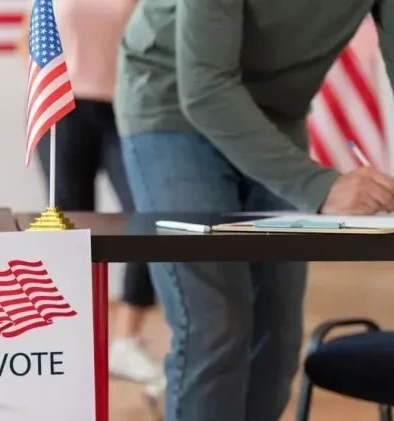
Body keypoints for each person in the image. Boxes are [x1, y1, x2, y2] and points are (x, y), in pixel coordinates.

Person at [115, 1, 394, 420]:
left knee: (277, 338)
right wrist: (323, 186)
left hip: (276, 115)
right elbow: (205, 89)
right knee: (216, 323)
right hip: (174, 103)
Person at [17, 0, 165, 397]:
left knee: (148, 216)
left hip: (128, 109)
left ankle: (127, 339)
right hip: (64, 108)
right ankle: (73, 340)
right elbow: (26, 41)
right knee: (68, 224)